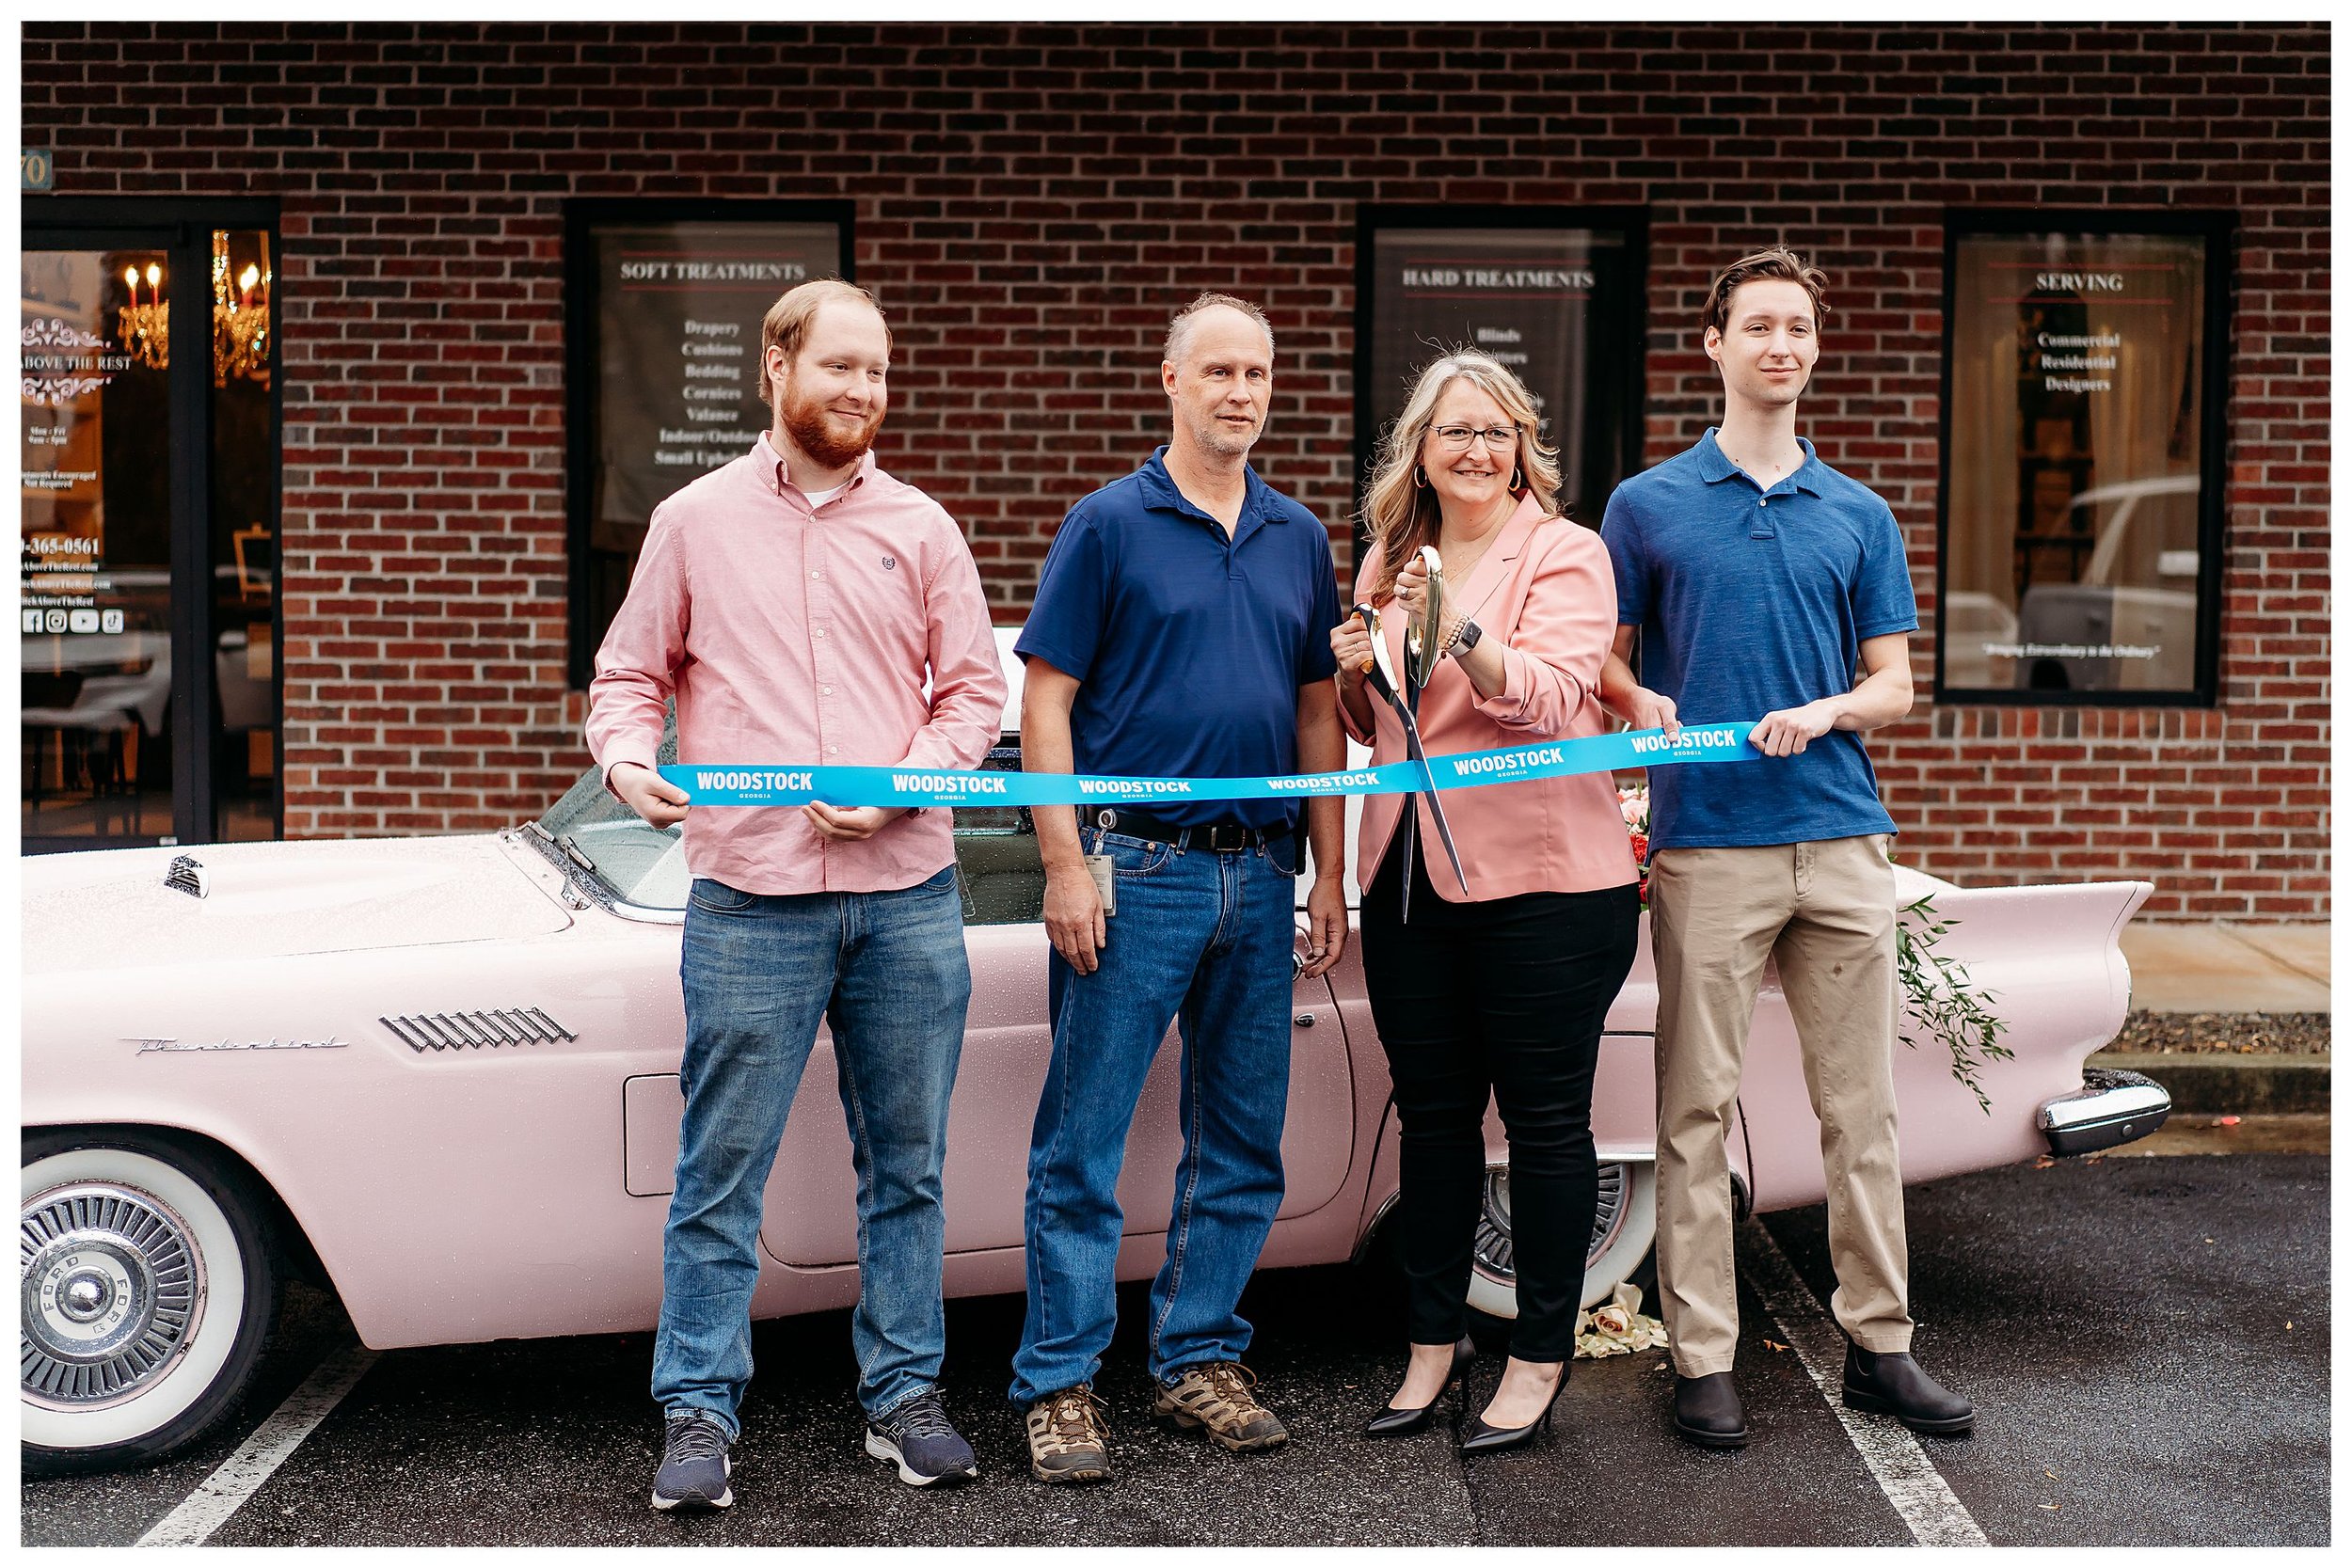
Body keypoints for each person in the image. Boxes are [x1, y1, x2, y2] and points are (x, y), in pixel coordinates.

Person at [588, 278, 1008, 1509]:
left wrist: (900, 786)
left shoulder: (923, 527)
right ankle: (699, 1414)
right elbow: (627, 674)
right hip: (750, 902)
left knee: (911, 1165)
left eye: (877, 371)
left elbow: (973, 695)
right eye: (839, 367)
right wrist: (625, 759)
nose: (863, 392)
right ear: (776, 368)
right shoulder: (691, 520)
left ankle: (905, 1394)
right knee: (721, 1170)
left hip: (907, 898)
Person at [1598, 246, 1974, 1449]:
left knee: (1860, 1111)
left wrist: (1829, 710)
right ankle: (1701, 1354)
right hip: (1708, 843)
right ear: (1712, 346)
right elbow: (1606, 652)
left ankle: (1882, 1343)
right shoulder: (1646, 503)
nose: (1780, 345)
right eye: (1757, 326)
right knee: (1694, 1111)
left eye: (1797, 328)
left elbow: (1897, 684)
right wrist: (1633, 698)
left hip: (1844, 838)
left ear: (1813, 349)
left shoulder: (1857, 512)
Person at [1008, 292, 1349, 1483]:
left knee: (1242, 1139)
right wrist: (1061, 861)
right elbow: (1044, 700)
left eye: (1256, 372)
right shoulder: (1107, 524)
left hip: (1258, 876)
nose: (1240, 392)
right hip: (1131, 867)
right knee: (1083, 1143)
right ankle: (1057, 1382)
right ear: (1170, 379)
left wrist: (1329, 871)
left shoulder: (1299, 535)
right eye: (1218, 371)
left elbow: (1318, 712)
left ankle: (1196, 1354)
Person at [1327, 352, 1642, 1455]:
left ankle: (1538, 1353)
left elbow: (1556, 704)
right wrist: (1353, 667)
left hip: (1547, 889)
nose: (1475, 449)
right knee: (1434, 1123)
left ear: (1522, 450)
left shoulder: (1565, 551)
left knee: (1548, 1126)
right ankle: (1429, 1345)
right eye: (1454, 431)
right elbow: (1380, 731)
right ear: (1419, 447)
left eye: (1496, 432)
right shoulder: (1386, 557)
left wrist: (1457, 625)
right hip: (1410, 879)